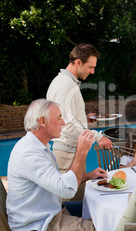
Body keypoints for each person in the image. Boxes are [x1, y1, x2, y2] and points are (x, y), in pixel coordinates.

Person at [6, 99, 107, 231]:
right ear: (42, 121)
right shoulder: (29, 153)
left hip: (47, 214)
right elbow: (66, 190)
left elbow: (55, 181)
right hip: (36, 228)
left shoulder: (39, 146)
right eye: (59, 118)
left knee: (96, 209)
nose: (63, 123)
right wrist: (82, 151)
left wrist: (87, 175)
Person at [47, 44, 113, 199]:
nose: (92, 71)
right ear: (78, 62)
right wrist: (98, 137)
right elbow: (67, 126)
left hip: (68, 152)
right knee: (77, 199)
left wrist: (84, 120)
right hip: (66, 154)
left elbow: (65, 118)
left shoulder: (62, 81)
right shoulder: (67, 86)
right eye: (90, 67)